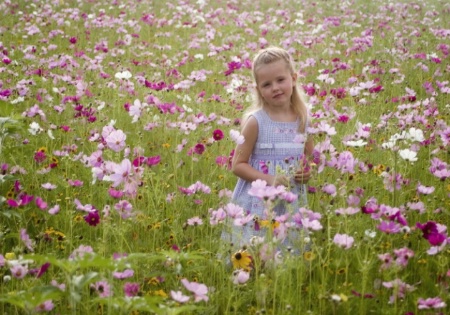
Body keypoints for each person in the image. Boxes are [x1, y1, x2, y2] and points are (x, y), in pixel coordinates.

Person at [227, 46, 314, 250]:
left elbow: (309, 155)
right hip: (258, 202)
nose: (275, 87)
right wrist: (270, 180)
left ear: (294, 79)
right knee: (255, 253)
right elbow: (237, 165)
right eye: (267, 84)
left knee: (288, 252)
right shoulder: (256, 122)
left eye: (280, 80)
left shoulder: (303, 119)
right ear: (259, 90)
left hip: (290, 198)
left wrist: (306, 170)